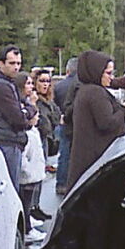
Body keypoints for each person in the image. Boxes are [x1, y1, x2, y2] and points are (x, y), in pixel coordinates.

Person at [66, 50, 125, 190]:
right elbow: (106, 123)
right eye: (108, 73)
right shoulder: (96, 93)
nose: (111, 78)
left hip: (89, 159)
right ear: (96, 72)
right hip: (96, 161)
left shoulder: (86, 91)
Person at [0, 45, 36, 192]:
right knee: (11, 190)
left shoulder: (7, 82)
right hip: (7, 141)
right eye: (12, 63)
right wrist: (28, 113)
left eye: (18, 63)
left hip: (11, 140)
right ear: (1, 64)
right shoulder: (0, 85)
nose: (16, 67)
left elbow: (24, 107)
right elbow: (18, 118)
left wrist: (27, 110)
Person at [14, 72, 47, 242]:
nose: (31, 87)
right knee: (25, 198)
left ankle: (28, 219)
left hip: (34, 171)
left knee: (30, 197)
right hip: (28, 173)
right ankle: (26, 226)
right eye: (27, 84)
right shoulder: (22, 108)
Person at [53, 57, 78, 196]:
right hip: (78, 125)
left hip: (64, 123)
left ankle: (61, 183)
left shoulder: (59, 86)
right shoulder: (81, 85)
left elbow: (56, 104)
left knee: (64, 155)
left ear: (68, 70)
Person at [33, 69, 60, 165]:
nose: (45, 84)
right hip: (39, 140)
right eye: (42, 81)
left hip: (50, 142)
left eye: (47, 81)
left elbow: (57, 118)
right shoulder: (33, 101)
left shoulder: (51, 102)